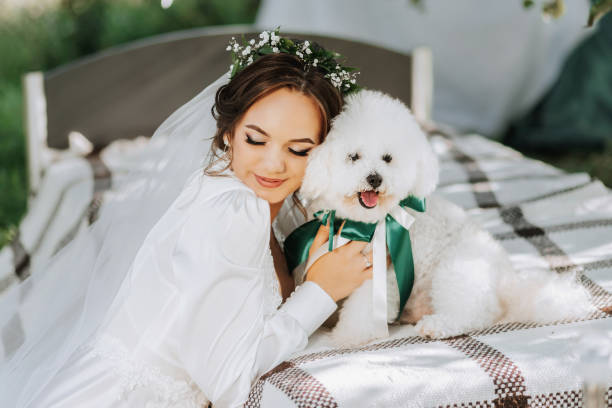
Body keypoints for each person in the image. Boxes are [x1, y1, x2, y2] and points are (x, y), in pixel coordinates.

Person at [0, 29, 373, 407]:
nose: (273, 164)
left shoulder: (242, 194)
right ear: (228, 133)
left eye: (298, 149)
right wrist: (320, 292)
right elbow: (228, 382)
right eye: (256, 140)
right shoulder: (234, 212)